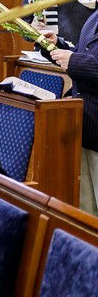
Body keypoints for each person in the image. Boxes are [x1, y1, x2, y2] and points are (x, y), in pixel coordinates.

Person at [42, 23, 98, 216]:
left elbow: (81, 62)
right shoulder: (94, 16)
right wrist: (56, 46)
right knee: (86, 215)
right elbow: (87, 55)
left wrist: (74, 61)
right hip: (85, 129)